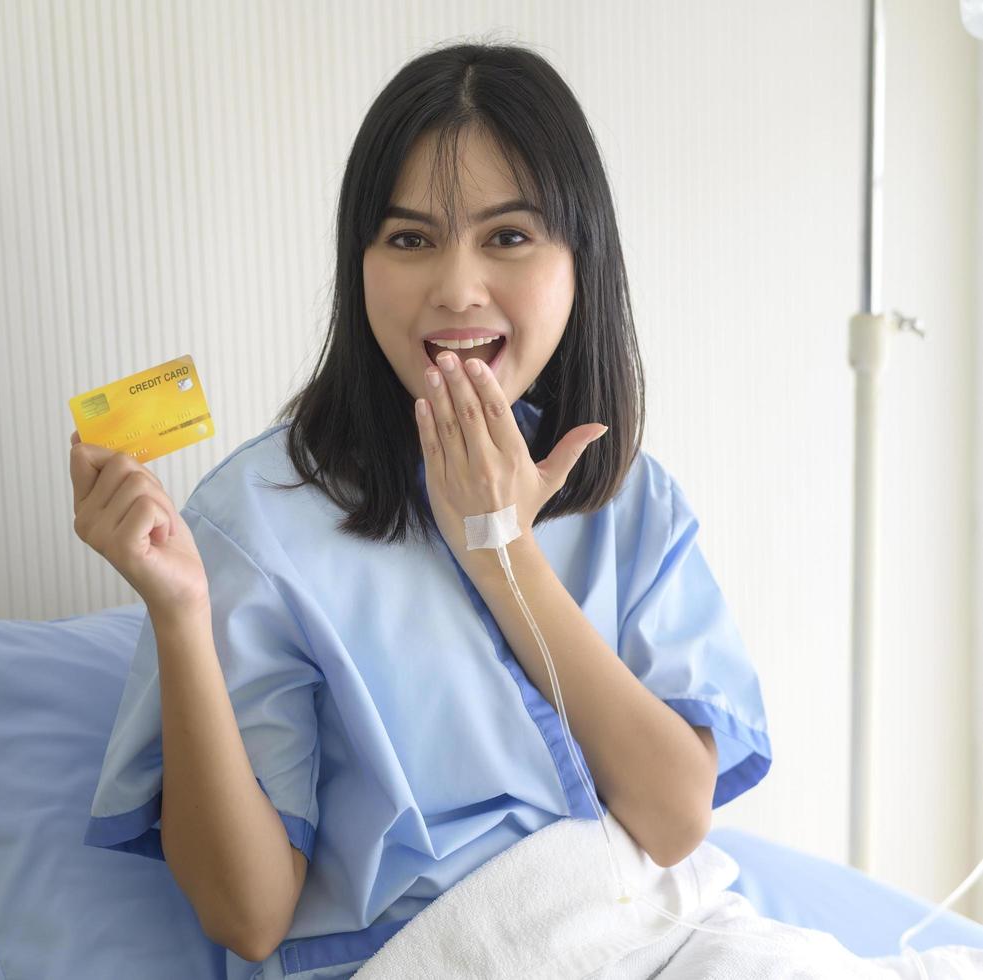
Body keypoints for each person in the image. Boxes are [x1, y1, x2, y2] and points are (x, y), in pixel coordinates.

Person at [67, 40, 771, 980]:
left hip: (648, 939)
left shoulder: (630, 496)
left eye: (508, 237)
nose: (455, 288)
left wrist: (501, 548)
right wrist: (179, 615)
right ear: (357, 267)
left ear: (578, 261)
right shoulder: (254, 519)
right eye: (408, 239)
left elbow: (674, 820)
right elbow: (248, 916)